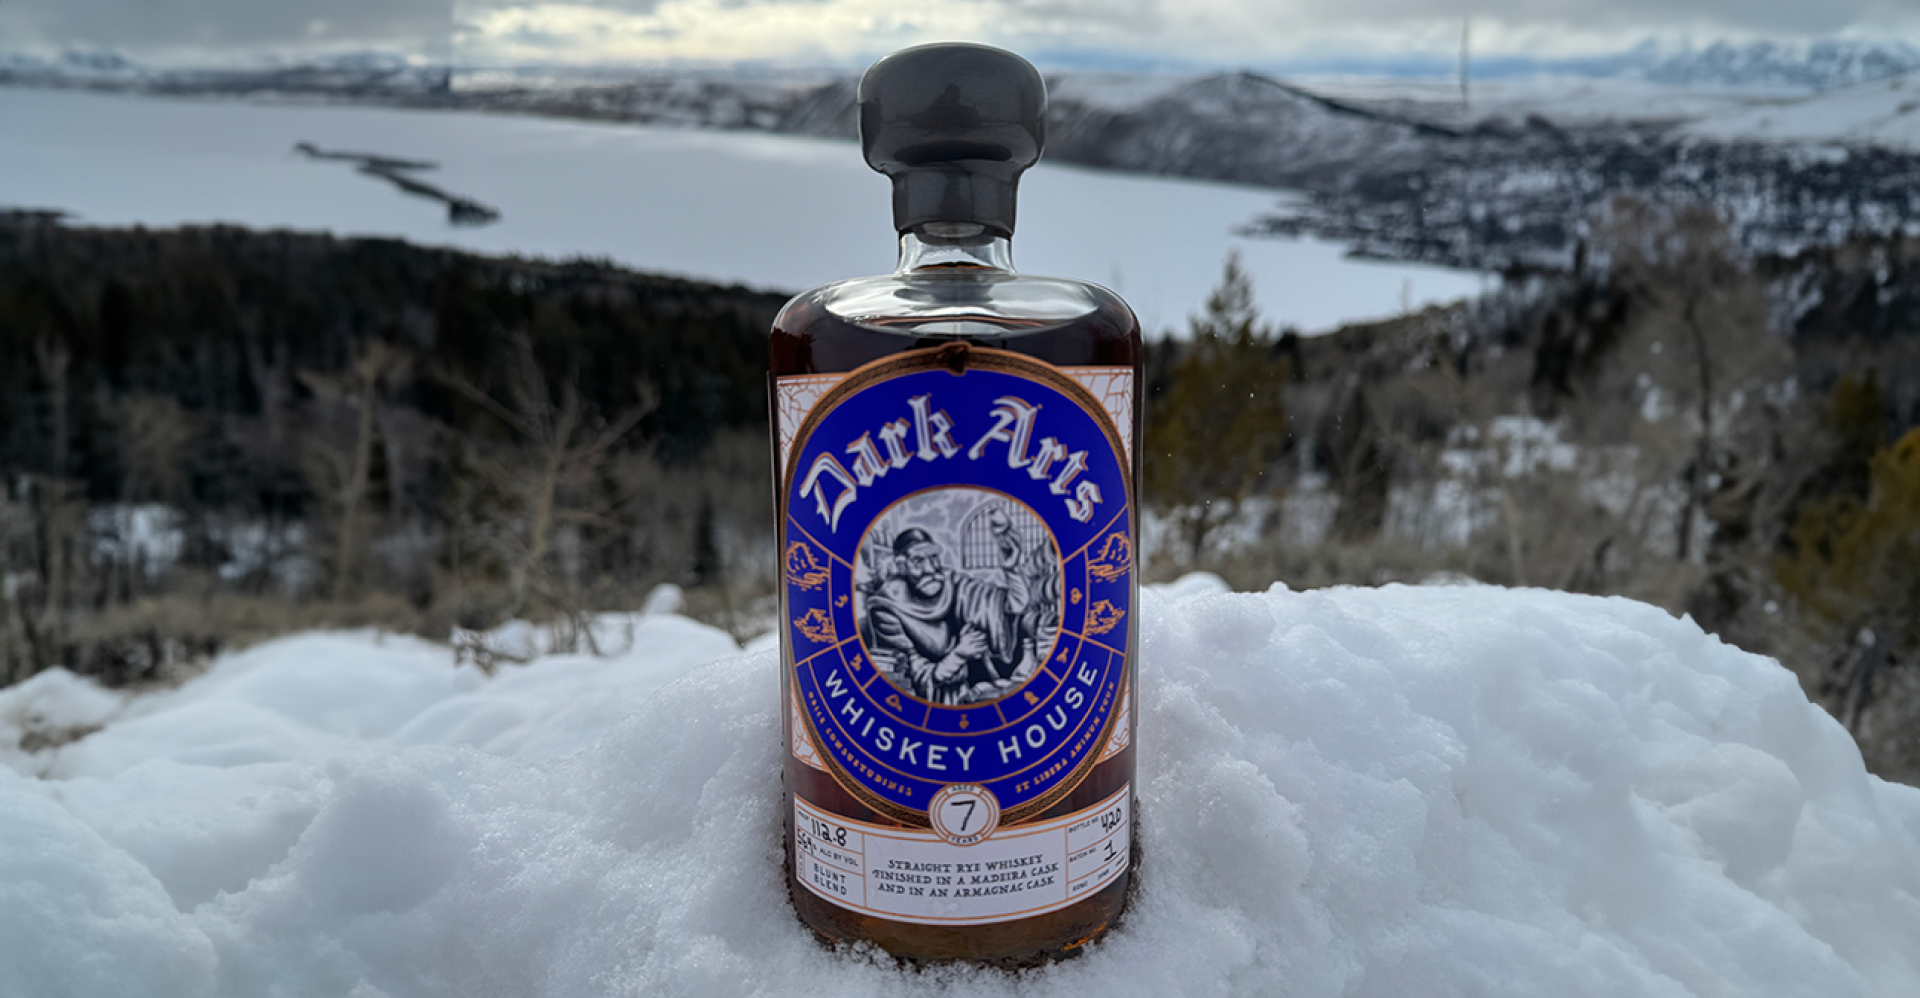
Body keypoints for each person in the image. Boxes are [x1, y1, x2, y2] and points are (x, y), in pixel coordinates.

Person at [863, 508, 1051, 705]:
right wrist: (960, 654)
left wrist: (1012, 568)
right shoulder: (886, 608)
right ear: (902, 566)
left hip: (969, 691)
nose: (930, 569)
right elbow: (912, 676)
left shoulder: (952, 584)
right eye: (918, 561)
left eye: (933, 558)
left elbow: (1013, 606)